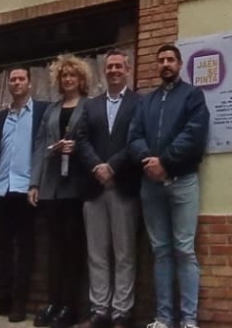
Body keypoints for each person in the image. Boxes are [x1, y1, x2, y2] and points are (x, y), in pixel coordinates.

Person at [128, 43, 210, 328]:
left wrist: (165, 161)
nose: (165, 64)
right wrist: (148, 161)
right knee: (160, 250)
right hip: (150, 185)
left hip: (182, 180)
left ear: (180, 64)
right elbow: (134, 137)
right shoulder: (146, 102)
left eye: (170, 60)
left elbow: (195, 134)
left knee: (184, 249)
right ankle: (163, 319)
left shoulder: (193, 96)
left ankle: (188, 321)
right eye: (161, 60)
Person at [75, 50, 142, 328]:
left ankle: (121, 313)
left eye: (119, 66)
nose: (114, 70)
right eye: (110, 66)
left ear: (128, 70)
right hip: (93, 188)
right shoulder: (91, 105)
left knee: (125, 253)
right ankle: (100, 310)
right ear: (105, 71)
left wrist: (112, 167)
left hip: (123, 186)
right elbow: (80, 139)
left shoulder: (139, 103)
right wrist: (97, 167)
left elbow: (137, 138)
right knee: (97, 253)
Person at [0, 68, 48, 323]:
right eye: (13, 80)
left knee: (26, 248)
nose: (17, 83)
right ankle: (2, 298)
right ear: (9, 85)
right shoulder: (0, 117)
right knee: (3, 248)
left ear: (30, 84)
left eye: (21, 79)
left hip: (26, 190)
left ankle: (19, 302)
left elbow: (45, 150)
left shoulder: (42, 111)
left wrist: (37, 184)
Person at [29, 56, 91, 328]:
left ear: (81, 80)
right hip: (52, 187)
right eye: (64, 76)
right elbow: (41, 146)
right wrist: (34, 183)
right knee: (53, 250)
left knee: (74, 249)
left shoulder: (90, 107)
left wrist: (75, 148)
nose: (68, 80)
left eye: (72, 76)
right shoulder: (51, 110)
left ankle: (70, 307)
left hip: (76, 188)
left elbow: (93, 141)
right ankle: (53, 302)